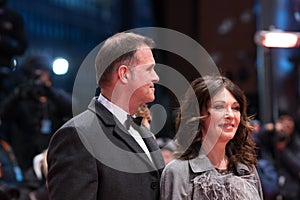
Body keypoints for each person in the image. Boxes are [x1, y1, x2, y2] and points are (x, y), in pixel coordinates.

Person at [47, 32, 165, 200]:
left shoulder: (144, 132)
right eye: (149, 69)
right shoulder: (78, 135)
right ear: (124, 73)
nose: (156, 77)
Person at [160, 75, 263, 200]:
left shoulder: (247, 169)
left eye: (235, 108)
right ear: (198, 114)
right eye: (219, 107)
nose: (230, 114)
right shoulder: (178, 172)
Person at [0, 54, 72, 172]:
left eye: (41, 74)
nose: (39, 79)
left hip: (52, 154)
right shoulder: (21, 96)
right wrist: (17, 95)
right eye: (34, 75)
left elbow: (73, 108)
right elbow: (3, 114)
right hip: (23, 155)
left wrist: (49, 92)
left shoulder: (55, 96)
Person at [255, 113, 300, 199]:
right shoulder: (270, 137)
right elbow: (255, 139)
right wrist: (270, 128)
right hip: (270, 186)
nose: (286, 125)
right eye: (283, 122)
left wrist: (283, 150)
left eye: (289, 122)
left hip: (290, 191)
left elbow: (297, 166)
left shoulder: (295, 142)